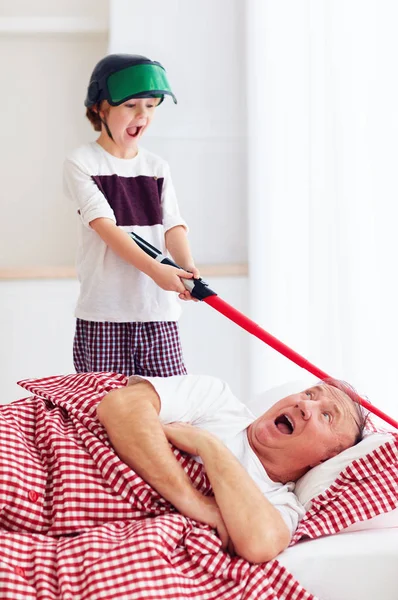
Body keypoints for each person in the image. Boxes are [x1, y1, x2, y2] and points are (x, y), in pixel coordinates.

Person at [97, 373, 367, 563]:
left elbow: (260, 544)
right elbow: (122, 405)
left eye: (327, 415)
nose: (305, 404)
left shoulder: (281, 505)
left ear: (324, 460)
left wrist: (209, 446)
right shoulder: (217, 401)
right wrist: (195, 503)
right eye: (309, 393)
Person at [63, 54, 199, 377]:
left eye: (150, 106)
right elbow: (107, 229)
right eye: (131, 105)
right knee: (105, 414)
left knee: (170, 411)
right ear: (100, 107)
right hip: (103, 317)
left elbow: (173, 226)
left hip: (158, 317)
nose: (143, 115)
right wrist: (156, 270)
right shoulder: (82, 163)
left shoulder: (156, 167)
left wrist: (186, 267)